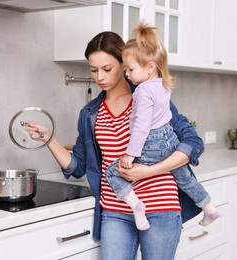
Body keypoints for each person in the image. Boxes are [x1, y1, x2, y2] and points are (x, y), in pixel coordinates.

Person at [25, 30, 204, 260]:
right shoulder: (90, 113)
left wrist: (148, 171)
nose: (100, 76)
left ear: (124, 63)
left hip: (160, 206)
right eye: (93, 70)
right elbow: (77, 167)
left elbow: (192, 143)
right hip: (115, 210)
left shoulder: (149, 96)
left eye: (107, 69)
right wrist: (49, 138)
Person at [104, 22, 218, 231]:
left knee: (113, 171)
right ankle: (209, 207)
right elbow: (165, 117)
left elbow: (142, 126)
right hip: (170, 140)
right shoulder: (163, 85)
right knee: (184, 177)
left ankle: (136, 206)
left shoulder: (142, 91)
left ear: (150, 67)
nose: (127, 74)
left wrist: (131, 154)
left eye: (130, 69)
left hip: (151, 143)